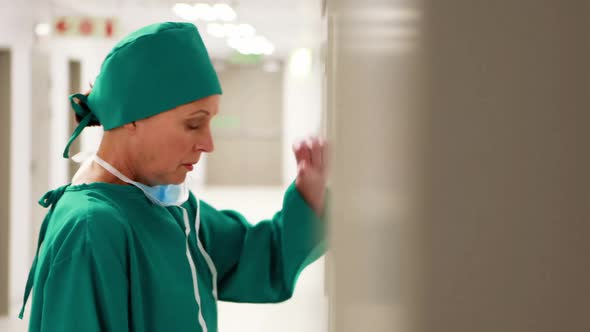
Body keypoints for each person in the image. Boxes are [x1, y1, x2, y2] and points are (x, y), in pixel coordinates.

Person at [19, 22, 328, 332]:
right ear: (132, 118)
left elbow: (256, 258)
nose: (209, 144)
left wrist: (308, 196)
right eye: (194, 125)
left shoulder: (171, 205)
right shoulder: (92, 227)